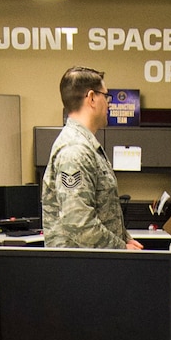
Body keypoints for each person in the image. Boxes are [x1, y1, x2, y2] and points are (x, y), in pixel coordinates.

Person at [42, 66, 141, 251]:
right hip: (81, 271)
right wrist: (121, 248)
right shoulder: (75, 150)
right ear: (92, 98)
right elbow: (78, 222)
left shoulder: (86, 146)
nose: (109, 103)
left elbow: (102, 211)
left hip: (93, 267)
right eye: (106, 96)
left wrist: (124, 238)